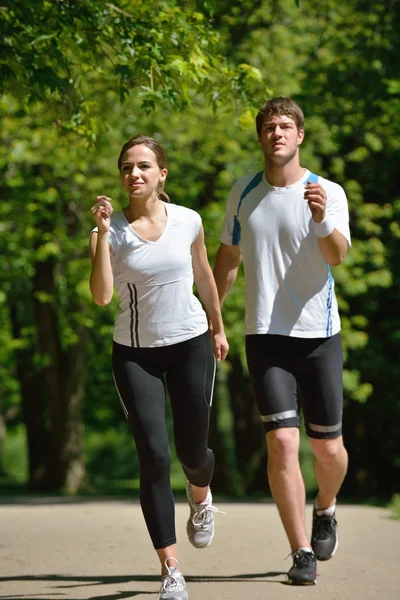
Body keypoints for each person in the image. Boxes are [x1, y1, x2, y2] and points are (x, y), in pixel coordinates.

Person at [213, 97, 351, 585]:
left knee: (328, 450)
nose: (277, 134)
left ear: (300, 136)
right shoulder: (243, 192)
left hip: (319, 335)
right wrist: (212, 317)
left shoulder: (326, 191)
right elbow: (227, 259)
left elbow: (337, 256)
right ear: (260, 138)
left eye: (286, 126)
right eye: (269, 127)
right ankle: (300, 552)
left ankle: (326, 507)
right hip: (265, 336)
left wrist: (320, 220)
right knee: (282, 442)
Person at [89, 135, 228, 600]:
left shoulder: (188, 220)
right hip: (134, 353)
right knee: (154, 457)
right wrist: (104, 236)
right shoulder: (108, 232)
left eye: (144, 166)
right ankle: (171, 570)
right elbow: (103, 295)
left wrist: (218, 325)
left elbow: (204, 273)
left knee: (193, 453)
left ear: (161, 174)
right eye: (127, 167)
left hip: (190, 342)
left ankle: (201, 496)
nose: (134, 174)